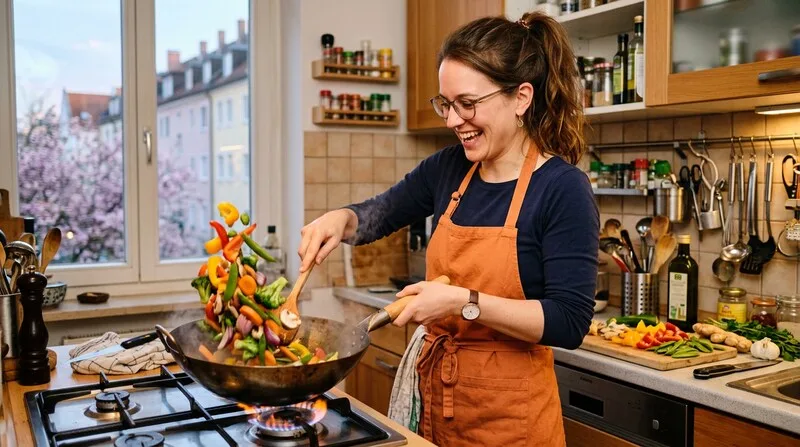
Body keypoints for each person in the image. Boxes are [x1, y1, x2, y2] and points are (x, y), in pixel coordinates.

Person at [298, 11, 598, 446]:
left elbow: (569, 322)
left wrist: (462, 302)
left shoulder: (562, 188)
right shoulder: (449, 167)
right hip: (437, 406)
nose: (454, 120)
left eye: (468, 103)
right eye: (446, 104)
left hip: (512, 421)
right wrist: (342, 219)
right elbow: (383, 211)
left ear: (521, 98)